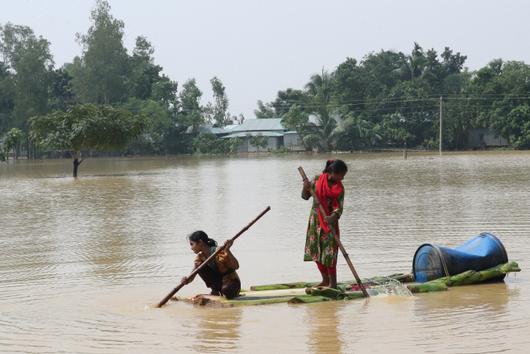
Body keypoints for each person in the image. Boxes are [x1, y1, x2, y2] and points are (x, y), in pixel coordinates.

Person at [301, 159, 348, 289]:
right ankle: (325, 280)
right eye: (341, 175)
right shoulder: (316, 180)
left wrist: (332, 217)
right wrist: (305, 187)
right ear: (333, 172)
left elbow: (339, 209)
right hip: (315, 221)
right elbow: (305, 196)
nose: (342, 179)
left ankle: (333, 284)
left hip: (329, 224)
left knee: (329, 253)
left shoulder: (339, 188)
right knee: (315, 251)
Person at [181, 230, 241, 299]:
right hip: (218, 284)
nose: (191, 248)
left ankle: (221, 293)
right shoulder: (200, 258)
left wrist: (227, 250)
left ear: (200, 242)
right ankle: (215, 291)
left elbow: (236, 266)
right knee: (199, 267)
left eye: (192, 244)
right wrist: (186, 280)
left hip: (231, 283)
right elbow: (192, 275)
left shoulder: (219, 251)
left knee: (226, 290)